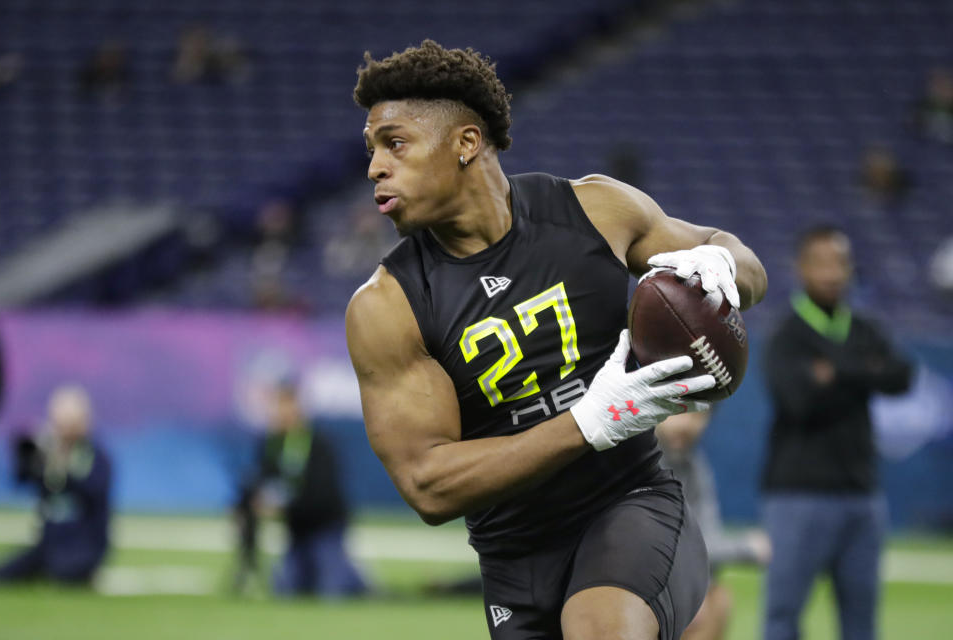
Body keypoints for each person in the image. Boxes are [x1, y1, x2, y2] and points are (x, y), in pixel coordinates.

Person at [345, 40, 767, 640]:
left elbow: (740, 260)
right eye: (372, 150)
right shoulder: (387, 306)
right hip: (514, 559)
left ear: (466, 143)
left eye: (395, 143)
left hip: (630, 506)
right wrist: (588, 423)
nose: (375, 168)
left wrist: (725, 266)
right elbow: (428, 485)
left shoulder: (595, 210)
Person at [761, 226, 913, 640]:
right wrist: (865, 372)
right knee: (783, 616)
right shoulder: (785, 334)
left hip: (862, 496)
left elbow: (902, 376)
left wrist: (834, 372)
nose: (832, 273)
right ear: (801, 268)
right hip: (798, 496)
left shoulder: (863, 326)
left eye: (840, 263)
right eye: (821, 262)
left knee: (862, 622)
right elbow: (798, 399)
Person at [237, 378, 366, 597]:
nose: (282, 412)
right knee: (286, 590)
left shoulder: (318, 443)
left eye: (287, 405)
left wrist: (284, 508)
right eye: (278, 405)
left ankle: (355, 576)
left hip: (325, 528)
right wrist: (245, 505)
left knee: (333, 591)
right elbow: (257, 482)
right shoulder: (270, 444)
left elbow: (324, 496)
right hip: (297, 533)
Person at [655, 410, 771, 640]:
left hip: (673, 584)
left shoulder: (694, 464)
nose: (686, 424)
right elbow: (664, 548)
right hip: (630, 584)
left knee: (717, 598)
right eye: (678, 412)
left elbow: (705, 537)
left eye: (698, 415)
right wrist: (747, 547)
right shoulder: (641, 465)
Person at [0, 385, 112, 585]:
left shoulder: (93, 456)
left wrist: (63, 472)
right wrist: (30, 455)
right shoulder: (48, 453)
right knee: (2, 575)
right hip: (49, 545)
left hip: (83, 545)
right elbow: (22, 478)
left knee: (63, 573)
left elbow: (95, 491)